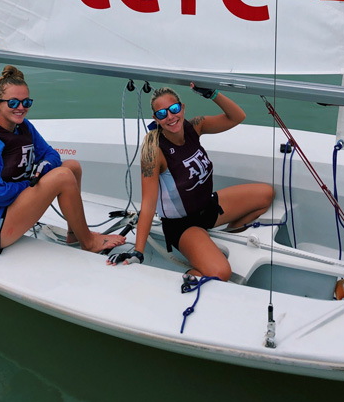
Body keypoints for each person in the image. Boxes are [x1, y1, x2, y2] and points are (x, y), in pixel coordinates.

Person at [108, 83, 274, 281]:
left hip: (209, 207)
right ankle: (193, 273)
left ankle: (230, 234)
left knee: (266, 194)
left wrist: (213, 94)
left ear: (183, 108)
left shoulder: (194, 127)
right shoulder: (154, 152)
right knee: (221, 272)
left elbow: (237, 117)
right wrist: (138, 251)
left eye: (174, 109)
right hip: (183, 226)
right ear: (156, 119)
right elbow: (149, 203)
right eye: (162, 114)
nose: (170, 117)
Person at [0, 65, 126, 255]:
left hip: (9, 206)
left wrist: (42, 170)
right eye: (13, 103)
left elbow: (52, 155)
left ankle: (75, 234)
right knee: (62, 176)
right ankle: (89, 243)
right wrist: (31, 183)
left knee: (72, 167)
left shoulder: (23, 127)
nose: (20, 108)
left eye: (26, 102)